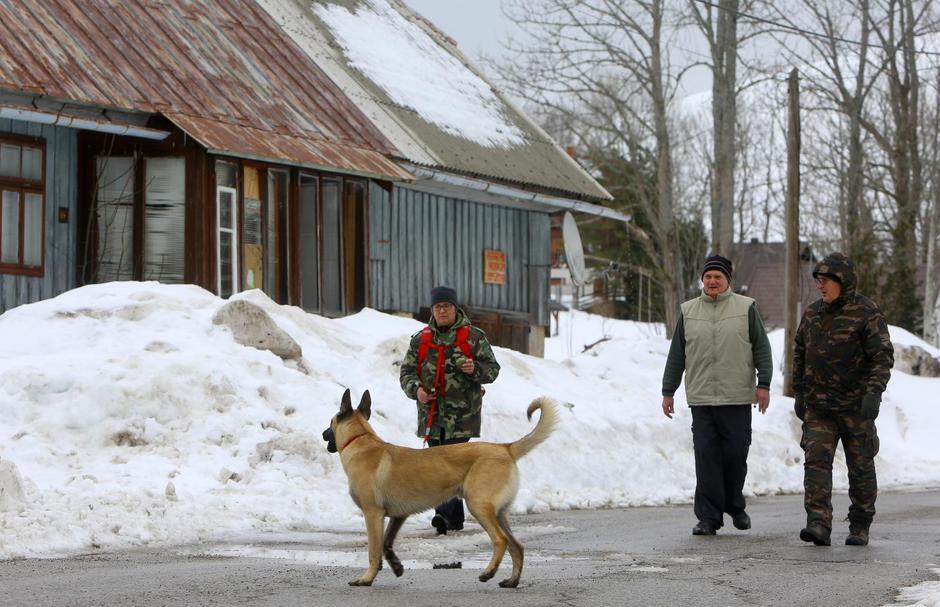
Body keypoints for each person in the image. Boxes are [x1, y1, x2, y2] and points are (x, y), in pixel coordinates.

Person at [661, 254, 773, 536]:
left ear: (727, 282)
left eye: (718, 277)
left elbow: (761, 347)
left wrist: (764, 384)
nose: (712, 281)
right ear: (702, 279)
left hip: (735, 396)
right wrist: (668, 390)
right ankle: (709, 518)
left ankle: (734, 504)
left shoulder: (745, 308)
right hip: (702, 397)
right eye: (708, 276)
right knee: (706, 457)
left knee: (735, 455)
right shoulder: (688, 311)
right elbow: (677, 355)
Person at [793, 252, 893, 547]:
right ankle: (818, 523)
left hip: (856, 407)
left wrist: (873, 393)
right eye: (818, 281)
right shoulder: (812, 314)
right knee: (816, 464)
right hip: (819, 408)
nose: (820, 286)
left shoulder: (866, 313)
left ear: (843, 281)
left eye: (826, 281)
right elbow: (799, 353)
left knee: (860, 466)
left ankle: (860, 523)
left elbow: (882, 357)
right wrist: (799, 392)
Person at [399, 285, 501, 534]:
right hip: (431, 416)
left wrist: (473, 369)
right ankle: (453, 519)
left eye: (446, 306)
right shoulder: (421, 340)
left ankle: (443, 516)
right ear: (432, 310)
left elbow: (493, 370)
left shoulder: (473, 337)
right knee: (441, 467)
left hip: (462, 418)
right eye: (438, 306)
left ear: (456, 308)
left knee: (446, 466)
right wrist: (417, 391)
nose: (442, 310)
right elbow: (406, 373)